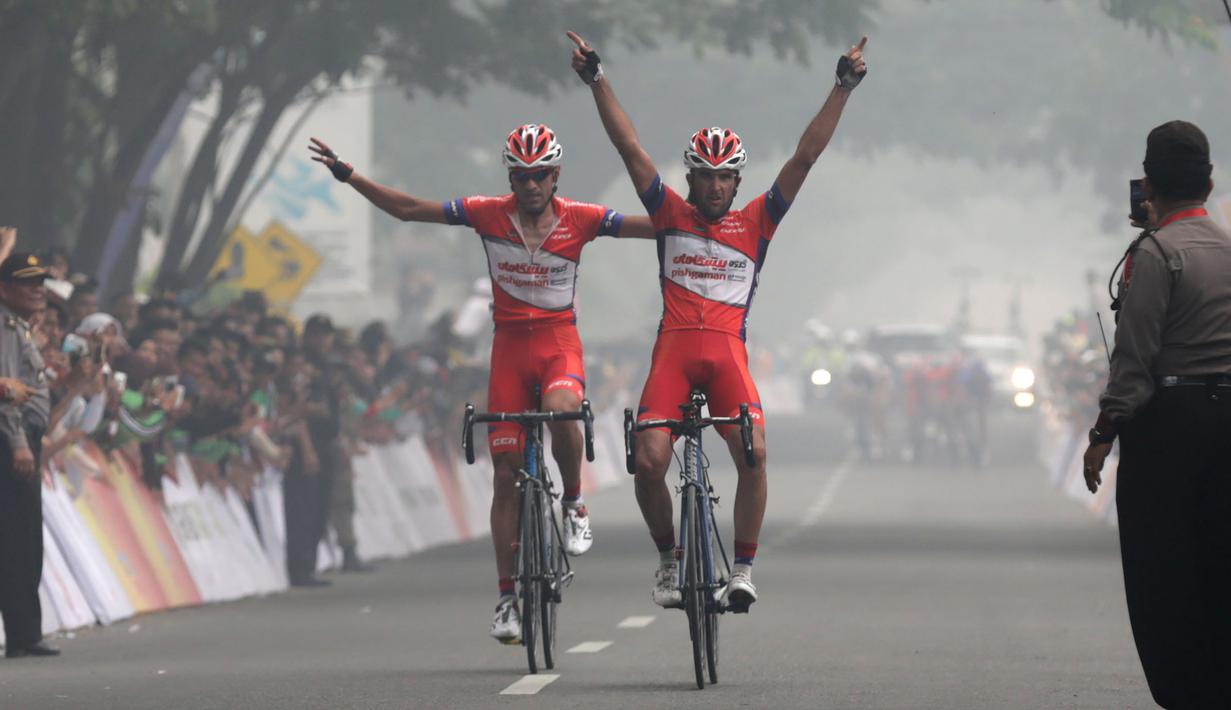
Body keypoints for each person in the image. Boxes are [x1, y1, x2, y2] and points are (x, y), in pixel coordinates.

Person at [309, 125, 654, 642]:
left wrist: (705, 221)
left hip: (559, 342)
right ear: (510, 177)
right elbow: (409, 209)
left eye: (539, 175)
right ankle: (507, 597)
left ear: (555, 175)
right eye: (521, 176)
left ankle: (574, 504)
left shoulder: (582, 218)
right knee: (504, 474)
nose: (531, 185)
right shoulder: (486, 212)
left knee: (564, 410)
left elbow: (652, 227)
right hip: (510, 349)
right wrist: (349, 175)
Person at [568, 30, 867, 611]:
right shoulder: (668, 213)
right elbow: (630, 148)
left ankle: (744, 568)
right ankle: (667, 559)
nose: (714, 185)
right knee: (650, 461)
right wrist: (597, 80)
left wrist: (842, 87)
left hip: (728, 355)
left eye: (725, 176)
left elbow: (805, 156)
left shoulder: (757, 221)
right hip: (673, 357)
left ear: (737, 181)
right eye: (704, 175)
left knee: (754, 450)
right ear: (691, 179)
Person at [1083, 120, 1231, 708]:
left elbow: (1135, 358)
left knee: (1162, 566)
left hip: (1171, 427)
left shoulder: (1155, 253)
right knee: (1220, 559)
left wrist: (1103, 432)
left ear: (1149, 187)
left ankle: (1186, 690)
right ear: (1210, 181)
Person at [0, 252, 58, 657]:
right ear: (4, 289)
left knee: (25, 540)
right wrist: (18, 442)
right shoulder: (4, 328)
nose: (38, 290)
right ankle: (22, 634)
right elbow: (7, 394)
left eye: (40, 282)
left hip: (26, 438)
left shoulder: (18, 327)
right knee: (16, 540)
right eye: (27, 283)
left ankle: (26, 633)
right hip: (11, 441)